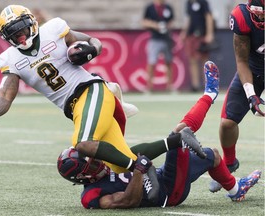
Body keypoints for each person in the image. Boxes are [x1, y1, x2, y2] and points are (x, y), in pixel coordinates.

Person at [0, 5, 201, 189]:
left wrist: (91, 49)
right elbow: (5, 93)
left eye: (21, 29)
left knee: (83, 144)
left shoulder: (54, 29)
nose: (19, 36)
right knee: (119, 163)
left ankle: (141, 166)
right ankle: (178, 140)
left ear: (31, 23)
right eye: (13, 33)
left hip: (90, 90)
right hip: (75, 109)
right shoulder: (9, 58)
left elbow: (93, 41)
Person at [57, 61, 261, 208]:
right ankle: (209, 94)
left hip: (163, 175)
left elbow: (132, 153)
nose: (97, 161)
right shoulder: (90, 196)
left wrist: (139, 162)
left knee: (212, 155)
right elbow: (128, 201)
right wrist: (138, 170)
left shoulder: (105, 162)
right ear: (83, 176)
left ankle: (236, 190)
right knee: (179, 134)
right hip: (167, 193)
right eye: (92, 163)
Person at [209, 0, 265, 193]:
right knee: (227, 123)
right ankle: (230, 163)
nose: (259, 17)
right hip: (255, 71)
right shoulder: (242, 16)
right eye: (256, 13)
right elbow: (241, 60)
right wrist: (251, 95)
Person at [179, 0, 215, 92]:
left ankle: (207, 85)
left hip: (202, 34)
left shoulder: (203, 2)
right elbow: (188, 18)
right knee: (192, 59)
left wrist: (209, 33)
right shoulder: (188, 3)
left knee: (204, 60)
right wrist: (184, 32)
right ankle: (195, 86)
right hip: (191, 35)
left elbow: (209, 17)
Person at [142, 0, 174, 92]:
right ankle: (149, 86)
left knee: (168, 62)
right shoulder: (150, 8)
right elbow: (144, 22)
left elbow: (171, 21)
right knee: (152, 62)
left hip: (166, 38)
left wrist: (166, 26)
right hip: (155, 38)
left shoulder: (168, 8)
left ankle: (169, 86)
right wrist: (155, 25)